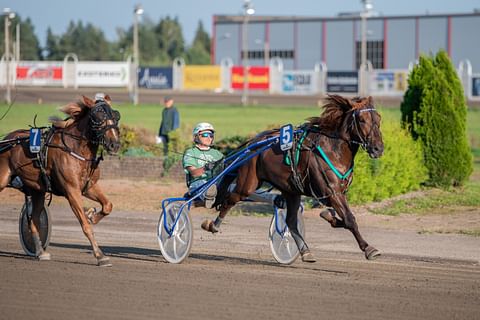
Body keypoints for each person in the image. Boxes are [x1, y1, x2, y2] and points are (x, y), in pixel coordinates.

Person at [183, 122, 224, 208]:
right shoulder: (191, 152)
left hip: (217, 184)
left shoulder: (217, 154)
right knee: (204, 184)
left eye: (211, 135)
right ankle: (209, 196)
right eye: (205, 135)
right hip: (198, 184)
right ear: (197, 136)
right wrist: (206, 168)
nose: (209, 137)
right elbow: (194, 173)